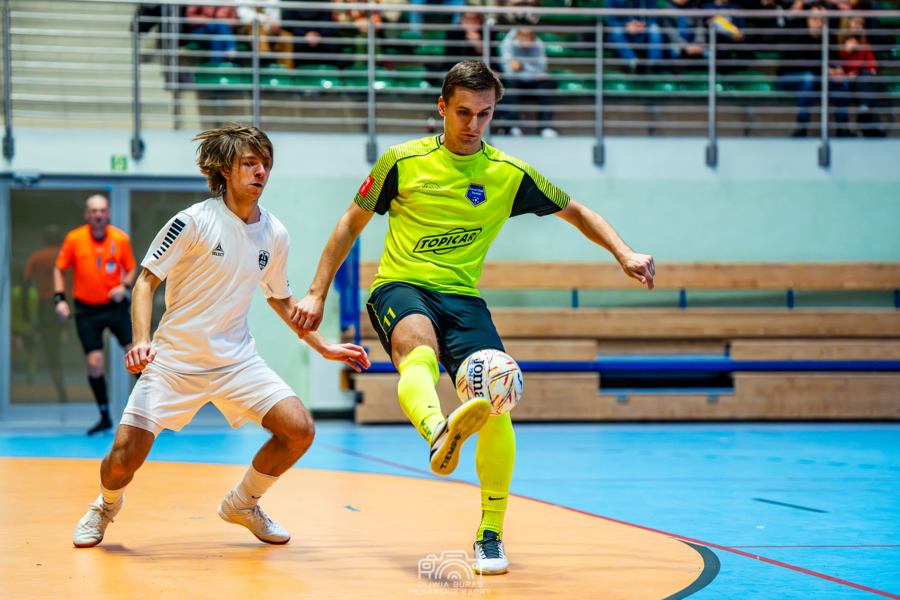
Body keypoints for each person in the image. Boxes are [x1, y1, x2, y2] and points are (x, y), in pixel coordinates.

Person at [292, 60, 655, 576]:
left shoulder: (508, 173)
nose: (473, 124)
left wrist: (623, 252)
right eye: (463, 112)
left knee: (499, 393)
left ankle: (490, 533)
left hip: (463, 299)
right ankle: (438, 430)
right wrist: (315, 291)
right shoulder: (400, 161)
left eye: (484, 114)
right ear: (442, 107)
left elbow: (577, 211)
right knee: (418, 350)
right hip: (401, 286)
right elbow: (348, 224)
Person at [72, 123, 370, 549]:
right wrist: (141, 340)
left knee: (300, 429)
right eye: (249, 163)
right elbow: (144, 283)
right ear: (225, 171)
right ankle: (104, 506)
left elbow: (280, 299)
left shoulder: (275, 233)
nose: (260, 171)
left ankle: (243, 503)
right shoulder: (191, 222)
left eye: (265, 163)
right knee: (121, 462)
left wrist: (321, 345)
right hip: (174, 362)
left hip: (236, 362)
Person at [55, 196, 138, 435]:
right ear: (87, 214)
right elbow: (59, 268)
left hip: (115, 307)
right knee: (95, 364)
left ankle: (151, 414)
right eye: (93, 211)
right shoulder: (74, 239)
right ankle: (104, 417)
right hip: (86, 310)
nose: (98, 214)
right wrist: (59, 299)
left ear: (108, 212)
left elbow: (131, 267)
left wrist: (124, 286)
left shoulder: (120, 239)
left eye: (102, 210)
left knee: (136, 355)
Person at [776, 3, 850, 137]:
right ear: (808, 19)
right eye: (816, 19)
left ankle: (842, 127)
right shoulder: (797, 35)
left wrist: (838, 70)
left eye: (823, 19)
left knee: (841, 83)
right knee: (808, 78)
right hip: (789, 77)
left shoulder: (829, 36)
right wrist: (827, 70)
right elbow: (802, 64)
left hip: (817, 77)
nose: (819, 23)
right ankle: (802, 127)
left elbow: (834, 59)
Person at [24, 227, 70, 403]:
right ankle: (62, 391)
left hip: (45, 306)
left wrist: (27, 313)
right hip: (66, 302)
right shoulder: (65, 256)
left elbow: (27, 284)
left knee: (52, 352)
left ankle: (61, 390)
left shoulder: (36, 258)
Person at [499, 25, 558, 137]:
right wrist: (529, 68)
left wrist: (522, 66)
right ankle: (513, 126)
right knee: (510, 85)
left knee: (547, 85)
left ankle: (544, 127)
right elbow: (509, 71)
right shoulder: (508, 44)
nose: (527, 40)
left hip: (533, 81)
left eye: (530, 36)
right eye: (524, 36)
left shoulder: (538, 44)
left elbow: (541, 69)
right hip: (515, 81)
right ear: (517, 36)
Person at [837, 15, 885, 136]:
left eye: (861, 24)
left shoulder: (863, 42)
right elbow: (836, 62)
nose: (859, 27)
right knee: (868, 85)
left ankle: (864, 109)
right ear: (847, 23)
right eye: (856, 23)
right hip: (847, 77)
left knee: (869, 78)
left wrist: (871, 70)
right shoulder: (838, 40)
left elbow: (871, 62)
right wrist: (846, 51)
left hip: (862, 76)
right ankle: (871, 125)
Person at [606, 0, 664, 72]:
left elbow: (654, 17)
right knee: (616, 31)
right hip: (624, 33)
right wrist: (626, 25)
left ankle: (654, 64)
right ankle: (634, 63)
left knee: (655, 29)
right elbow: (610, 20)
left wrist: (643, 24)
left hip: (643, 32)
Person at [237, 2, 295, 69]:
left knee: (286, 37)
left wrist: (273, 26)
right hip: (246, 29)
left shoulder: (274, 1)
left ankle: (285, 73)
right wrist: (265, 19)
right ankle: (264, 57)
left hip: (267, 30)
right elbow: (245, 17)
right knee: (256, 25)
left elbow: (276, 21)